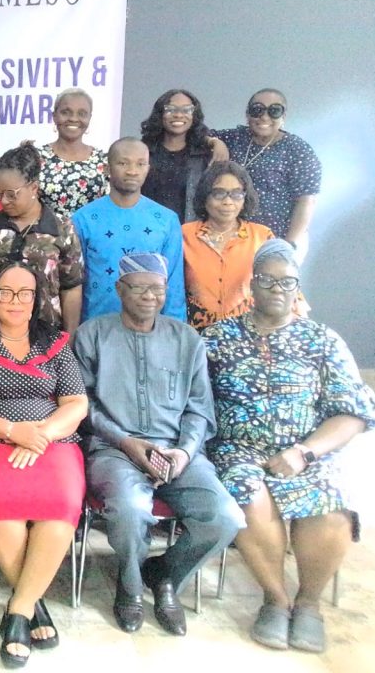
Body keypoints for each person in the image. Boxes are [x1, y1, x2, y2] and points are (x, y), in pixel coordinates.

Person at [202, 240, 375, 653]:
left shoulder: (323, 340)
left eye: (287, 282)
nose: (277, 289)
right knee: (247, 494)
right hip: (237, 450)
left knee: (332, 503)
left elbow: (353, 413)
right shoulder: (216, 337)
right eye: (267, 280)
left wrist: (305, 452)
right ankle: (276, 599)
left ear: (298, 287)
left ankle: (309, 604)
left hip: (307, 450)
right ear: (252, 285)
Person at [73, 253, 243, 637]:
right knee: (130, 510)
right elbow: (82, 405)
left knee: (225, 517)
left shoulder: (187, 339)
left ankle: (165, 574)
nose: (150, 297)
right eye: (140, 288)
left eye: (158, 289)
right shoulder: (92, 335)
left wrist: (184, 452)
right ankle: (130, 585)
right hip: (115, 449)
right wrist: (127, 442)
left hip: (177, 452)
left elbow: (199, 409)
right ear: (120, 289)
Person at [0, 262, 88, 668]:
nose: (15, 301)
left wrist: (41, 434)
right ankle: (31, 605)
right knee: (2, 501)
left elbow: (76, 403)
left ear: (37, 298)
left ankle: (20, 608)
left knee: (62, 503)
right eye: (5, 292)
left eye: (24, 293)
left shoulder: (57, 343)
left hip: (53, 442)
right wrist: (13, 430)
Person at [0, 143, 83, 334]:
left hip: (42, 331)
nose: (3, 201)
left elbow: (71, 288)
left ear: (34, 188)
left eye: (12, 195)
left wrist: (69, 338)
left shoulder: (61, 228)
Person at [72, 137, 185, 322]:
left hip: (151, 331)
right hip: (95, 327)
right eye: (123, 163)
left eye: (140, 164)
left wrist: (176, 331)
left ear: (148, 168)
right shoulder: (83, 219)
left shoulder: (166, 220)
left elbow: (174, 285)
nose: (132, 171)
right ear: (107, 168)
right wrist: (74, 332)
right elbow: (73, 284)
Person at [211, 89, 321, 258]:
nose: (264, 117)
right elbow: (197, 134)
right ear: (247, 114)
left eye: (274, 111)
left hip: (277, 238)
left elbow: (306, 201)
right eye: (257, 110)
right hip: (235, 238)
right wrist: (214, 141)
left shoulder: (298, 150)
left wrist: (287, 245)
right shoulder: (236, 138)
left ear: (283, 116)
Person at [182, 161, 275, 330]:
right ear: (205, 196)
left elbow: (282, 288)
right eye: (218, 193)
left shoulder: (263, 237)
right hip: (195, 335)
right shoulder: (184, 235)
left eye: (236, 194)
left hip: (249, 334)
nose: (228, 201)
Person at [139, 89, 215, 224]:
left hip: (190, 232)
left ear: (194, 116)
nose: (179, 115)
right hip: (147, 229)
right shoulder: (143, 152)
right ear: (160, 114)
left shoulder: (204, 155)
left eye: (186, 110)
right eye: (171, 109)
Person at [37, 88, 108, 218]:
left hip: (92, 231)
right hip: (46, 231)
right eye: (65, 112)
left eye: (82, 113)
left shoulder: (104, 161)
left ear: (89, 118)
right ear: (54, 116)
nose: (73, 118)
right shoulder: (36, 158)